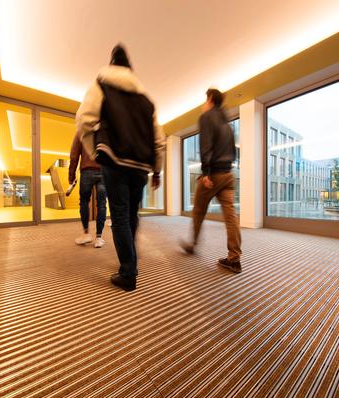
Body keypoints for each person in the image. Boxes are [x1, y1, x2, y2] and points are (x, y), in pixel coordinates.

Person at [76, 44, 165, 291]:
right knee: (132, 214)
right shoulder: (146, 100)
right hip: (140, 167)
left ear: (111, 64)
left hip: (114, 161)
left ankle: (128, 272)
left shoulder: (101, 84)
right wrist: (156, 170)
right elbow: (159, 140)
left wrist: (96, 151)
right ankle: (131, 259)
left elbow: (84, 120)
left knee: (120, 216)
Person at [180, 88, 242, 273]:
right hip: (228, 174)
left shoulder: (207, 117)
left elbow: (205, 145)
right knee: (231, 217)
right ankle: (234, 258)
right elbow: (234, 151)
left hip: (213, 174)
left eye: (205, 99)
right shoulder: (228, 124)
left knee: (198, 211)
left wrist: (205, 173)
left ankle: (192, 244)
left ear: (210, 99)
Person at [68, 133, 107, 248]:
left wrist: (71, 176)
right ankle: (99, 238)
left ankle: (86, 234)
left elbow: (74, 156)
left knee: (84, 201)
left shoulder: (82, 131)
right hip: (103, 171)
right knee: (102, 204)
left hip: (86, 171)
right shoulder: (104, 130)